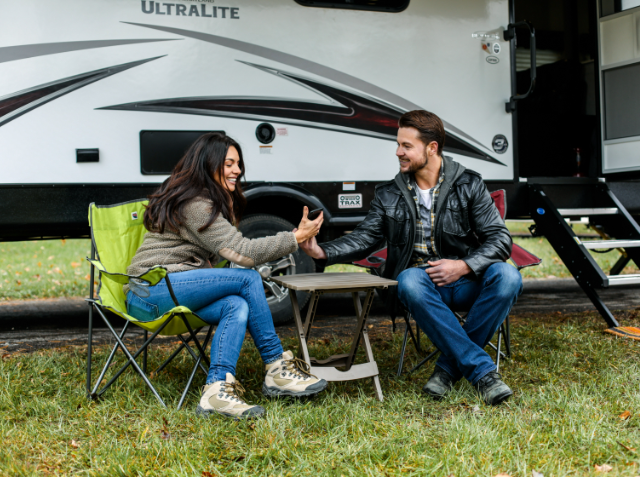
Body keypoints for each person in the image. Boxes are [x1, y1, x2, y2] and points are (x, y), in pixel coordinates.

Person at [299, 110, 522, 405]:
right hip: (422, 288)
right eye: (398, 144)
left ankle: (447, 369)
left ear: (432, 148)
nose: (398, 152)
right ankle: (483, 372)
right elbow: (366, 237)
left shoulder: (468, 185)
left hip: (469, 280)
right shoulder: (389, 193)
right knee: (409, 279)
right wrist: (321, 251)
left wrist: (463, 266)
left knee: (508, 276)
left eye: (406, 146)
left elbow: (500, 239)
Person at [124, 132, 328, 419]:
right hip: (150, 292)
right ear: (208, 164)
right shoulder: (195, 204)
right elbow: (242, 253)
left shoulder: (208, 200)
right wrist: (294, 237)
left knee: (237, 304)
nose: (238, 170)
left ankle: (217, 390)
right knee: (247, 277)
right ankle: (276, 366)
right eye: (229, 163)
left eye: (238, 164)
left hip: (171, 289)